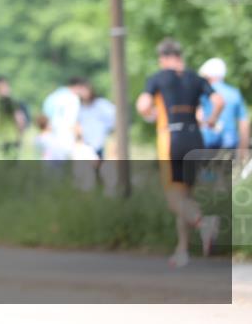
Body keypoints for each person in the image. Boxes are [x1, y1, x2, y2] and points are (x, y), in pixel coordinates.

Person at [136, 38, 226, 267]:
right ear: (180, 56)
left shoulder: (158, 78)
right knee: (186, 197)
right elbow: (218, 100)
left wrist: (151, 115)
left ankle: (203, 222)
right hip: (195, 137)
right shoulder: (196, 79)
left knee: (174, 199)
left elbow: (143, 105)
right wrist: (212, 120)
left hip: (171, 139)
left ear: (162, 58)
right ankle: (182, 250)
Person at [197, 57, 249, 166]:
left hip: (207, 144)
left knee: (208, 180)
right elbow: (244, 124)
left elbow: (198, 116)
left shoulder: (204, 94)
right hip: (230, 143)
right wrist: (243, 150)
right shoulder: (235, 93)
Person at [41, 77, 90, 161]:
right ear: (78, 87)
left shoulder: (54, 95)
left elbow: (45, 116)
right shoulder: (72, 99)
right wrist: (80, 139)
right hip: (66, 137)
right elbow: (72, 122)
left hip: (51, 136)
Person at [77, 81, 116, 160]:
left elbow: (115, 116)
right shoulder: (78, 107)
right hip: (85, 144)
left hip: (102, 142)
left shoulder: (101, 104)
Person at [0, 75, 29, 158]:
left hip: (11, 140)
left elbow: (20, 120)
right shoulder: (1, 101)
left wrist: (19, 138)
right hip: (4, 139)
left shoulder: (9, 101)